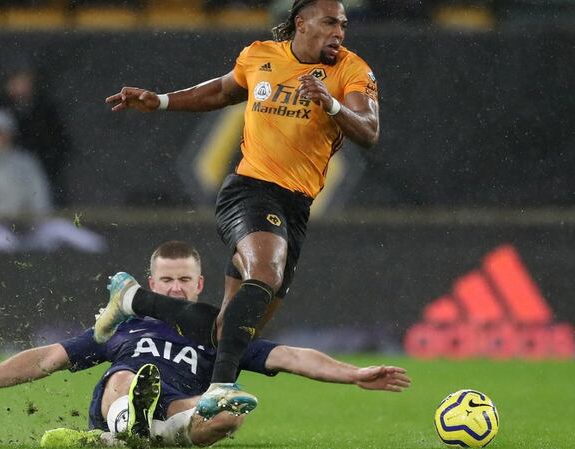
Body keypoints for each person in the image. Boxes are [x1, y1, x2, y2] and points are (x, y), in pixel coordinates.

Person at [98, 0, 380, 419]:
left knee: (228, 331)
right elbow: (220, 91)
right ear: (301, 24)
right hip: (249, 191)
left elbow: (369, 131)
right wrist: (159, 100)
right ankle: (220, 387)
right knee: (265, 273)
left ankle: (135, 300)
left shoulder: (351, 70)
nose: (339, 31)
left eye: (343, 23)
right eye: (329, 22)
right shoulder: (260, 55)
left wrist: (332, 105)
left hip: (296, 205)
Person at [0, 241, 409, 448]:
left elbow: (291, 355)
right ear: (150, 282)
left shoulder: (219, 330)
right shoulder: (122, 329)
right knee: (128, 378)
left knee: (230, 411)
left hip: (181, 408)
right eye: (165, 280)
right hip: (122, 394)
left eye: (183, 281)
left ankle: (123, 442)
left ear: (199, 286)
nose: (174, 289)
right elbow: (45, 359)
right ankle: (126, 426)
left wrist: (354, 373)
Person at [0, 62, 73, 206]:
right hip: (3, 173)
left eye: (23, 81)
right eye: (15, 82)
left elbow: (61, 144)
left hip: (43, 171)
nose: (19, 87)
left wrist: (38, 163)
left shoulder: (46, 110)